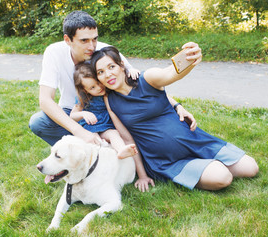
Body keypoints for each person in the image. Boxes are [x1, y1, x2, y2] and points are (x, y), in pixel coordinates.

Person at [90, 43, 259, 191]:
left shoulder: (147, 79)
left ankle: (208, 164)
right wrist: (142, 175)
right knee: (222, 177)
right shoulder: (110, 102)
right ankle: (206, 169)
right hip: (166, 161)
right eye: (101, 72)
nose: (107, 75)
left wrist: (190, 57)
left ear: (121, 65)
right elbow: (128, 140)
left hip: (195, 141)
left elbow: (170, 73)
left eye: (111, 67)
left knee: (251, 168)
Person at [29, 10, 195, 149]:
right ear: (68, 40)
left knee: (131, 129)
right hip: (75, 111)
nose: (91, 46)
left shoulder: (104, 51)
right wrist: (80, 131)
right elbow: (45, 100)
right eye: (84, 40)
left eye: (94, 38)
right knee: (38, 122)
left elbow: (141, 85)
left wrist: (176, 105)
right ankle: (82, 148)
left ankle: (111, 148)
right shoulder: (54, 53)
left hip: (110, 109)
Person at [70, 62, 137, 159]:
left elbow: (123, 76)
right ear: (85, 90)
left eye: (98, 83)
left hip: (107, 126)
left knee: (114, 134)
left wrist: (132, 71)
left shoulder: (111, 90)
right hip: (90, 128)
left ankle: (122, 149)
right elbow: (72, 116)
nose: (99, 88)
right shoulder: (83, 98)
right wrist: (83, 113)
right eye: (92, 87)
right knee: (95, 141)